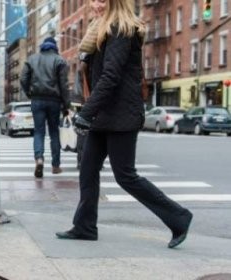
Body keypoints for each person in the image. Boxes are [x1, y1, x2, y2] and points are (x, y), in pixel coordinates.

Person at [55, 0, 193, 249]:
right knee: (87, 170)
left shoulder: (121, 28)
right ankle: (85, 226)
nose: (94, 4)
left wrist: (86, 112)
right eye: (92, 0)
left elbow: (111, 76)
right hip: (104, 115)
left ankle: (179, 216)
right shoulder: (99, 29)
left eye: (101, 0)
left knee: (125, 176)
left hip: (121, 115)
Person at [20, 36, 70, 178]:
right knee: (54, 133)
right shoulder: (59, 60)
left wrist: (29, 92)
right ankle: (55, 166)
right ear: (54, 47)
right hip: (54, 101)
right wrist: (66, 105)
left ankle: (39, 159)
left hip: (37, 100)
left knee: (39, 132)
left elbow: (23, 79)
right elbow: (64, 86)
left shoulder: (32, 59)